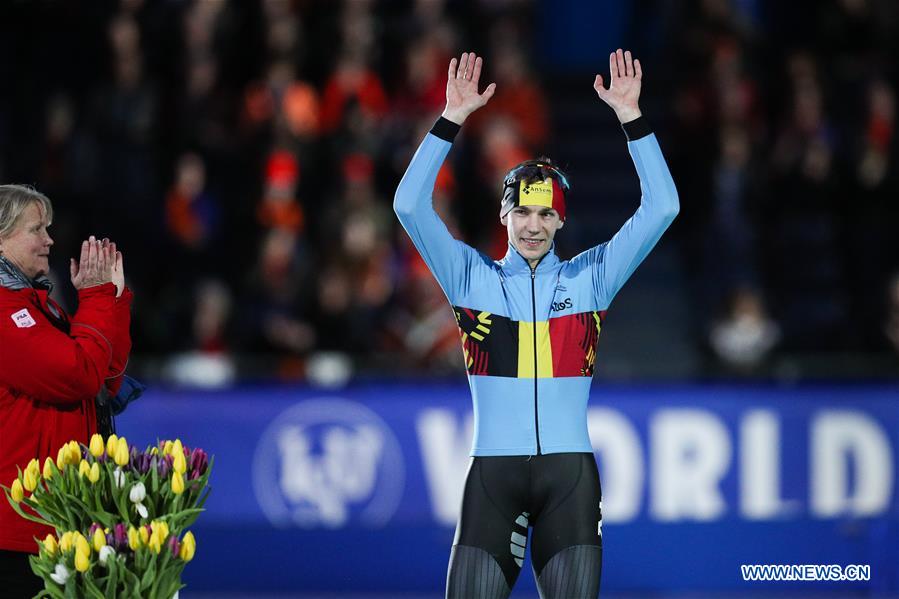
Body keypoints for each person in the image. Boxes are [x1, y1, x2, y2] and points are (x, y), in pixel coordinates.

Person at [395, 50, 679, 598]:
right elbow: (409, 206)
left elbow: (662, 207)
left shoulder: (592, 278)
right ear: (504, 215)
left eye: (546, 213)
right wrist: (450, 118)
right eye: (522, 212)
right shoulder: (467, 277)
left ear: (561, 219)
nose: (533, 225)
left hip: (568, 483)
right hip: (493, 480)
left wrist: (631, 118)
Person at [0, 184, 133, 597]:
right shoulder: (6, 312)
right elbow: (77, 375)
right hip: (18, 530)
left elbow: (107, 375)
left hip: (56, 520)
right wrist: (94, 297)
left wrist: (111, 298)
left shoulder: (41, 307)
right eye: (36, 229)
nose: (49, 240)